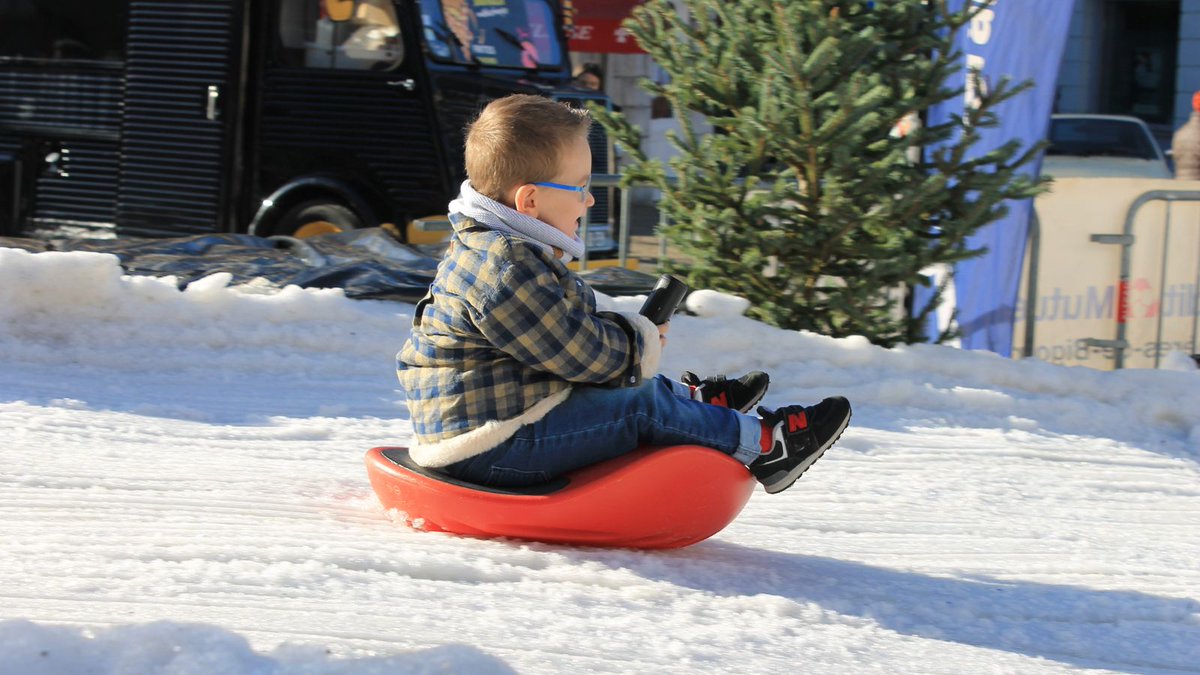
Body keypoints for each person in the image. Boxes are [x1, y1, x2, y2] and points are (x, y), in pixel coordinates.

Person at [395, 94, 852, 494]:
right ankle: (769, 447)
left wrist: (633, 342)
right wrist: (638, 342)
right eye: (579, 188)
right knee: (638, 405)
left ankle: (695, 408)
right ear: (529, 201)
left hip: (504, 418)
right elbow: (582, 356)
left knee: (637, 383)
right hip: (490, 446)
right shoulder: (503, 268)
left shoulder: (501, 250)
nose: (589, 200)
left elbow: (568, 336)